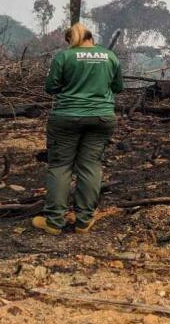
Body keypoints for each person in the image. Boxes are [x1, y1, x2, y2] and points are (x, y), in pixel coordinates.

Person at [32, 23, 123, 235]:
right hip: (101, 118)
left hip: (66, 118)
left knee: (60, 166)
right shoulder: (110, 56)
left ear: (71, 40)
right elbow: (118, 87)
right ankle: (84, 221)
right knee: (90, 165)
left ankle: (54, 222)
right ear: (91, 38)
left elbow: (51, 87)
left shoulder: (65, 57)